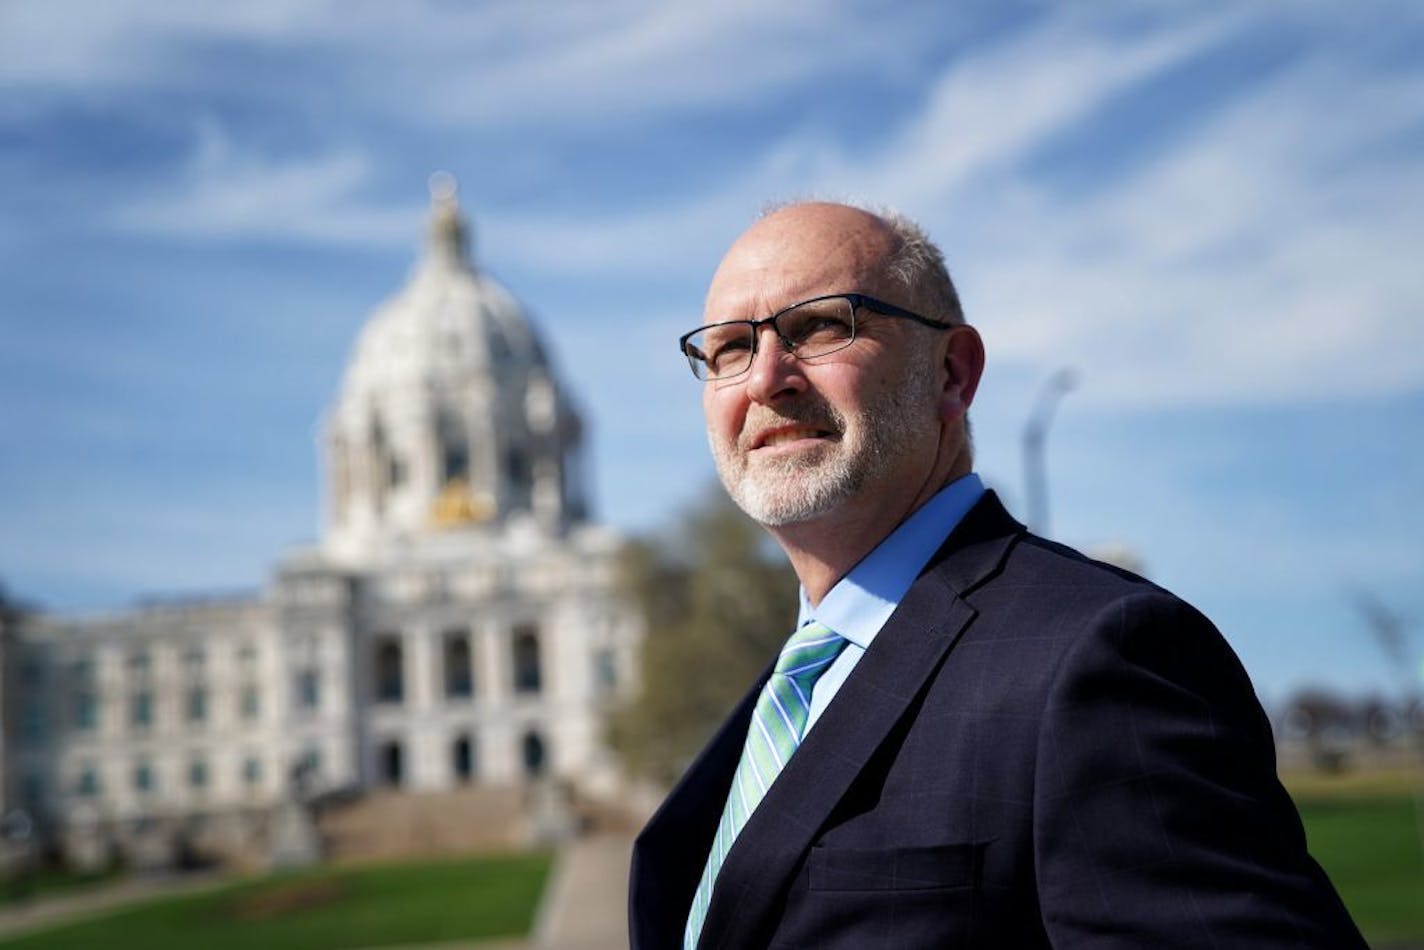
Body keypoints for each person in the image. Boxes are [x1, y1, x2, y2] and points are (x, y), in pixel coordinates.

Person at [628, 201, 1366, 949]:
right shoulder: (790, 691)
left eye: (820, 326)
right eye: (727, 348)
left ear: (953, 373)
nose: (766, 378)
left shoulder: (1101, 659)